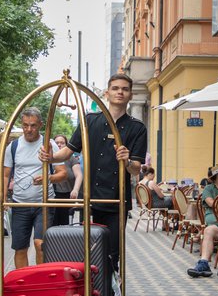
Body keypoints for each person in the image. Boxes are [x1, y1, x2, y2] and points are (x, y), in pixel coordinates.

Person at [40, 73, 147, 270]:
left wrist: (127, 160)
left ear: (131, 95)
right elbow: (69, 150)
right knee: (88, 253)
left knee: (111, 256)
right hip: (90, 199)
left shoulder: (137, 127)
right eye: (115, 88)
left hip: (116, 201)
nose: (120, 92)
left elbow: (135, 169)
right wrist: (52, 157)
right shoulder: (90, 121)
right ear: (107, 93)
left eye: (124, 89)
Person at [3, 107, 66, 269]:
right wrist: (2, 201)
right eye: (25, 125)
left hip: (44, 204)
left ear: (40, 125)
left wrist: (48, 178)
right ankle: (25, 285)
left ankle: (41, 282)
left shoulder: (49, 144)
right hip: (20, 204)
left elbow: (63, 173)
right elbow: (5, 175)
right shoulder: (13, 146)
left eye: (33, 125)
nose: (28, 129)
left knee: (40, 244)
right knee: (20, 248)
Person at [51, 134, 82, 226]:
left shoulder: (71, 159)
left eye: (62, 143)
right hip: (52, 195)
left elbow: (79, 175)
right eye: (57, 143)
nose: (59, 145)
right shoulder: (48, 158)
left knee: (65, 222)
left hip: (66, 195)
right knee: (52, 222)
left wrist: (75, 189)